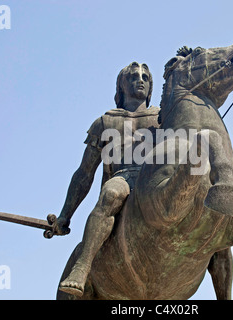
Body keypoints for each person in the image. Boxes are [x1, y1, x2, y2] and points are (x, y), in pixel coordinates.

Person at [55, 62, 160, 297]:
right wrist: (65, 215)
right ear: (122, 85)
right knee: (111, 193)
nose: (140, 80)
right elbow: (84, 173)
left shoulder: (163, 116)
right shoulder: (104, 122)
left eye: (145, 77)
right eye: (133, 77)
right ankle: (82, 268)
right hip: (123, 178)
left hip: (156, 181)